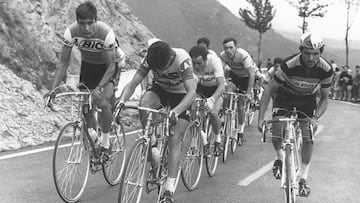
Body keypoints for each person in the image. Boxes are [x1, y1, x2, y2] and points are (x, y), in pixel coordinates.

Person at [117, 41, 197, 202]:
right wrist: (122, 100)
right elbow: (133, 84)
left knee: (175, 139)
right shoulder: (149, 59)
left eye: (163, 68)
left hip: (182, 96)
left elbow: (192, 93)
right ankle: (150, 141)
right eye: (157, 69)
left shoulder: (182, 60)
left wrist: (177, 111)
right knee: (144, 104)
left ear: (170, 58)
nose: (160, 71)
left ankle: (169, 187)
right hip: (160, 90)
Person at [257, 32, 333, 197]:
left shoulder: (326, 69)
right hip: (285, 97)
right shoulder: (289, 64)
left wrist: (314, 118)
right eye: (307, 53)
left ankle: (303, 178)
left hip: (307, 100)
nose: (311, 58)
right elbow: (269, 89)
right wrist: (261, 117)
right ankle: (279, 158)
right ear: (301, 51)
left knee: (308, 136)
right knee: (277, 133)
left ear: (321, 52)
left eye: (315, 54)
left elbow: (325, 99)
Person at [44, 1, 117, 155]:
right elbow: (63, 63)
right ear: (77, 21)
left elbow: (111, 67)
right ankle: (93, 136)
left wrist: (98, 89)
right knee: (86, 107)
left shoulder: (106, 33)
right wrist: (53, 90)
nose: (86, 28)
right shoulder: (71, 32)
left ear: (96, 20)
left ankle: (106, 143)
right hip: (88, 68)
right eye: (82, 23)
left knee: (103, 103)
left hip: (107, 69)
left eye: (90, 23)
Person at [189, 45, 225, 155]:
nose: (196, 66)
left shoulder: (214, 61)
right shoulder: (189, 64)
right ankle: (199, 136)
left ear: (206, 59)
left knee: (213, 113)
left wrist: (212, 100)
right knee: (192, 110)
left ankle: (218, 137)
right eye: (194, 63)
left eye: (199, 63)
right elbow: (190, 86)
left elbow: (222, 86)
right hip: (201, 88)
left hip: (215, 89)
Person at [220, 37, 256, 145]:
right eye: (226, 48)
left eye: (231, 48)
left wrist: (249, 92)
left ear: (236, 47)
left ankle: (240, 131)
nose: (228, 51)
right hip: (235, 76)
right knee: (226, 92)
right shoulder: (223, 55)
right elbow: (221, 72)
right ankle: (223, 117)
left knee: (240, 105)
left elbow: (252, 74)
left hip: (246, 78)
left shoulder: (243, 55)